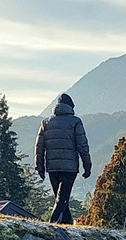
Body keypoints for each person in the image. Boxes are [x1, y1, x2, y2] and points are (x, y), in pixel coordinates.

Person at [35, 93, 91, 224]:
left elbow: (39, 147)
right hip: (69, 168)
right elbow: (83, 146)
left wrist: (40, 167)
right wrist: (87, 166)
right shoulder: (75, 122)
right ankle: (51, 224)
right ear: (70, 107)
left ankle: (68, 226)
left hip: (52, 168)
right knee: (62, 199)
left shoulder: (46, 122)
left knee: (60, 199)